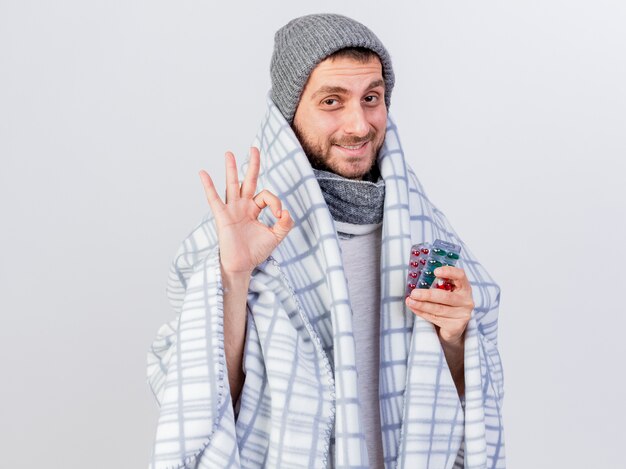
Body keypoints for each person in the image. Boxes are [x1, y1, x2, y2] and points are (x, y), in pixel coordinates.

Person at [147, 13, 505, 469]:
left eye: (371, 98)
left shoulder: (425, 232)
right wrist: (233, 277)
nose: (358, 125)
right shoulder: (240, 232)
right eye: (332, 101)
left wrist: (456, 339)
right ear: (288, 113)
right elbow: (206, 406)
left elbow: (467, 404)